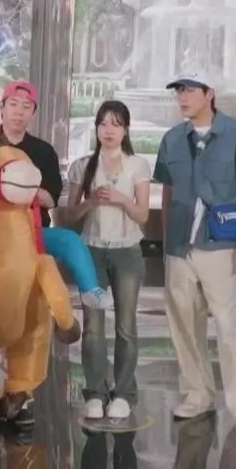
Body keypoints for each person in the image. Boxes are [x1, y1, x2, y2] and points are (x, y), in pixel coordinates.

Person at [152, 74, 236, 435]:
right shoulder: (172, 139)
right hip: (179, 246)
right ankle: (197, 394)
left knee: (228, 324)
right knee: (184, 323)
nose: (182, 97)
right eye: (178, 91)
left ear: (210, 94)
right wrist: (167, 240)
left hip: (220, 243)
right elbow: (167, 192)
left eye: (189, 90)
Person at [0, 80, 112, 310]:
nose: (19, 112)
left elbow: (50, 199)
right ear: (2, 107)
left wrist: (20, 188)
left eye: (26, 107)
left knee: (69, 241)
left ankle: (90, 290)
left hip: (27, 231)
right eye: (13, 104)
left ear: (33, 114)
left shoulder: (43, 151)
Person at [63, 101, 150, 421]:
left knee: (126, 326)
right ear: (96, 128)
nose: (108, 130)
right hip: (92, 252)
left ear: (125, 130)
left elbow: (143, 215)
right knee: (93, 327)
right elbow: (69, 215)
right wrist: (90, 203)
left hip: (127, 252)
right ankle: (96, 392)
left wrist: (121, 199)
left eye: (115, 124)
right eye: (103, 124)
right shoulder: (82, 166)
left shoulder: (137, 165)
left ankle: (124, 393)